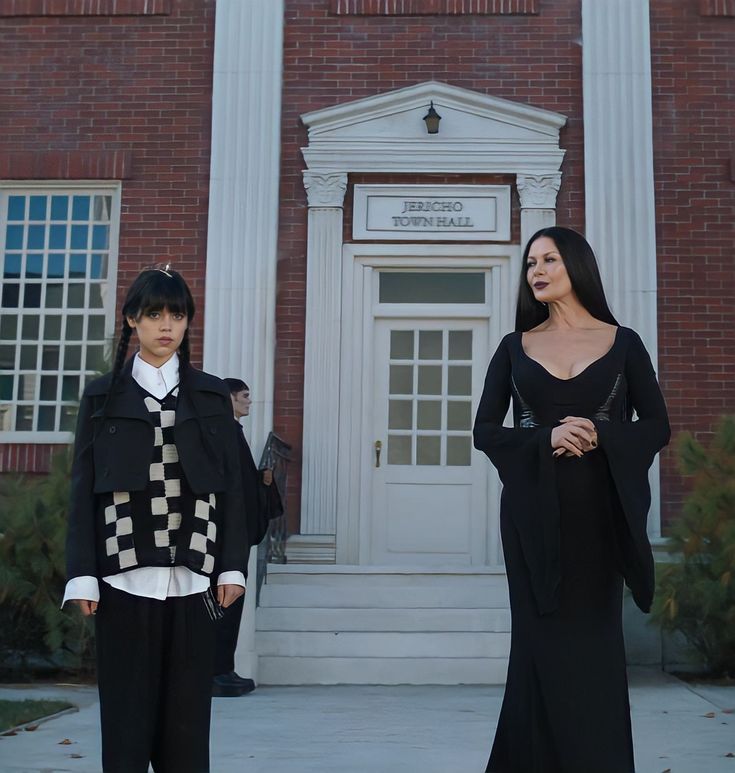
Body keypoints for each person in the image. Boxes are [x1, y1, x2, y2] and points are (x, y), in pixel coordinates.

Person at [473, 227, 670, 772]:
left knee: (595, 650)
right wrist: (544, 437)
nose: (536, 270)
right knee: (538, 646)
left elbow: (656, 425)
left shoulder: (624, 342)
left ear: (577, 265)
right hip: (532, 519)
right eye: (531, 262)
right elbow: (485, 431)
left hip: (599, 518)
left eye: (549, 259)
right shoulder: (514, 349)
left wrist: (603, 435)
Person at [63, 266, 249, 773]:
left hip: (195, 579)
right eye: (154, 314)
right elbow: (83, 490)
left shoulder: (211, 396)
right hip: (122, 579)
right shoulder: (103, 396)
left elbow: (233, 486)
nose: (166, 325)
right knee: (125, 727)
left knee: (187, 733)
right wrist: (81, 572)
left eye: (177, 315)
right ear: (132, 320)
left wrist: (232, 566)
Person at [211, 378, 280, 697]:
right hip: (227, 534)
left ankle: (224, 668)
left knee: (231, 601)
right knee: (224, 601)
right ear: (229, 398)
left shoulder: (232, 432)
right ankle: (216, 671)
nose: (249, 402)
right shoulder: (224, 433)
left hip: (233, 532)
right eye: (244, 396)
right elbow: (229, 484)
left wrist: (261, 481)